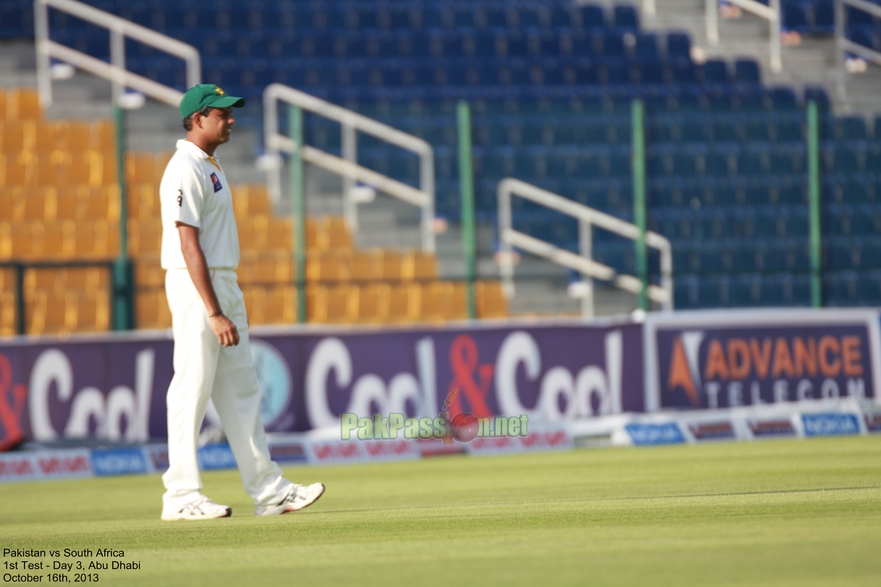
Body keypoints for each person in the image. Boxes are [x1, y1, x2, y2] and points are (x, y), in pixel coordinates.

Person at [158, 84, 324, 520]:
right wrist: (213, 310)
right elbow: (188, 244)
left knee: (243, 390)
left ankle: (270, 491)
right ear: (197, 119)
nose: (230, 120)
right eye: (221, 114)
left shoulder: (209, 165)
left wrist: (222, 299)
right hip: (199, 287)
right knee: (191, 388)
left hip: (221, 282)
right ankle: (180, 495)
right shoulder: (184, 168)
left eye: (230, 113)